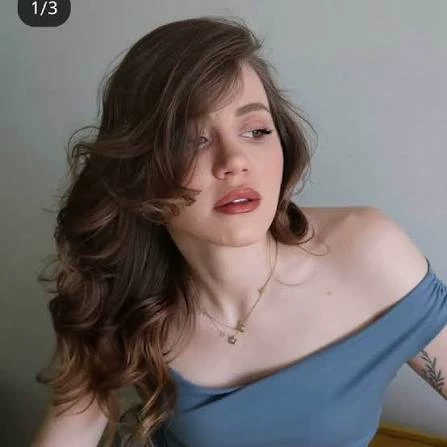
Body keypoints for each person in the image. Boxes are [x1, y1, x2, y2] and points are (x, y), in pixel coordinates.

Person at [32, 15, 447, 447]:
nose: (234, 160)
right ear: (141, 167)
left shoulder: (367, 251)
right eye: (191, 139)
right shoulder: (119, 291)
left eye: (256, 131)